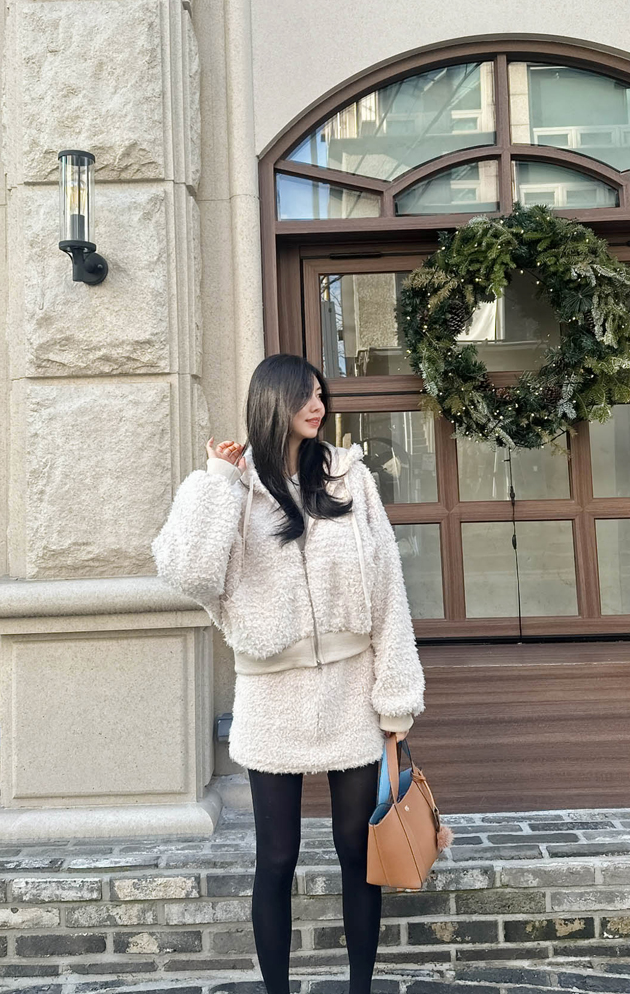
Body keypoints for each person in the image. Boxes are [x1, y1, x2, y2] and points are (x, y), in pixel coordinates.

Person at [151, 353, 425, 994]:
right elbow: (189, 573)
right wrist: (217, 480)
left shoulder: (350, 478)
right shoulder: (236, 487)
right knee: (276, 858)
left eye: (320, 392)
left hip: (351, 692)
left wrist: (395, 698)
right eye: (303, 395)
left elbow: (389, 590)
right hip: (272, 698)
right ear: (271, 402)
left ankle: (360, 990)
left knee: (357, 854)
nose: (317, 404)